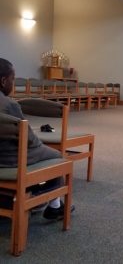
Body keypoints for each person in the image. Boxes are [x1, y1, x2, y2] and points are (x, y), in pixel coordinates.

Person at [0, 58, 73, 219]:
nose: (12, 83)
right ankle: (47, 203)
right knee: (57, 156)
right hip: (8, 160)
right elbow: (29, 140)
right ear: (3, 81)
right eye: (13, 79)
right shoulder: (9, 105)